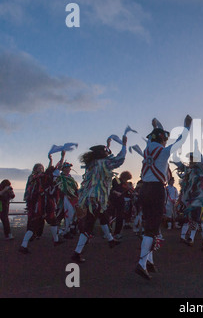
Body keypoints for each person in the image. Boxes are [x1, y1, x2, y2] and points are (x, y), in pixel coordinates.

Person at [135, 115, 192, 281]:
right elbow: (180, 142)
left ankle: (150, 261)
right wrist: (187, 127)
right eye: (165, 139)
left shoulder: (147, 149)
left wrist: (155, 125)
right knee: (152, 227)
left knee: (151, 225)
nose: (166, 142)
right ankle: (141, 263)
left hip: (144, 189)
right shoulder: (163, 151)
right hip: (156, 190)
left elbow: (153, 139)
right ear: (162, 140)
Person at [71, 136, 127, 263]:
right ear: (103, 154)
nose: (108, 153)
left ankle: (111, 240)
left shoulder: (92, 163)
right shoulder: (104, 163)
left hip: (92, 197)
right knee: (89, 225)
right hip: (96, 198)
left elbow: (107, 159)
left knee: (103, 217)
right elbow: (119, 159)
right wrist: (124, 145)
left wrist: (108, 146)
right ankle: (77, 252)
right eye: (106, 151)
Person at [19, 153, 65, 254]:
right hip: (42, 204)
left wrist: (56, 159)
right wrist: (61, 157)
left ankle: (25, 244)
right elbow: (56, 170)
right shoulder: (41, 177)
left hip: (40, 204)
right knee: (43, 223)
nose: (41, 169)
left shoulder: (37, 177)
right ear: (35, 169)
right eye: (39, 167)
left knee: (49, 222)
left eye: (42, 167)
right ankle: (55, 240)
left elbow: (55, 170)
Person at [55, 159, 79, 239]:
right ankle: (55, 234)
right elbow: (59, 188)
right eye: (66, 168)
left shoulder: (71, 179)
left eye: (69, 168)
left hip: (71, 200)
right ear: (63, 169)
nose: (68, 169)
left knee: (69, 215)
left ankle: (67, 231)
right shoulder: (60, 178)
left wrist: (76, 195)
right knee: (60, 215)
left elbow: (75, 188)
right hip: (62, 200)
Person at [108, 171, 134, 239]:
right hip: (113, 200)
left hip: (121, 201)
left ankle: (117, 233)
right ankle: (108, 232)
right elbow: (112, 189)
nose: (127, 180)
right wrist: (116, 192)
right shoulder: (116, 180)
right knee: (111, 216)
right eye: (126, 179)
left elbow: (128, 191)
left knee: (120, 217)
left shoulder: (125, 183)